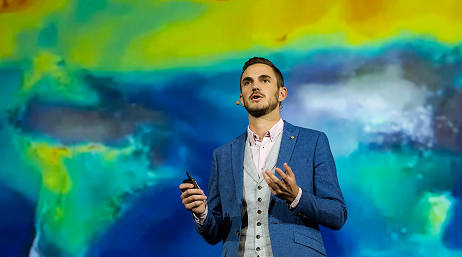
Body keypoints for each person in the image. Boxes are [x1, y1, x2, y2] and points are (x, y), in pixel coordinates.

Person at [179, 57, 347, 257]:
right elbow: (216, 234)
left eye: (264, 80)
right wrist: (202, 212)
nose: (255, 87)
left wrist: (297, 197)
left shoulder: (313, 142)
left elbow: (337, 214)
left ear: (281, 93)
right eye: (247, 82)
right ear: (241, 98)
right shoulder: (222, 155)